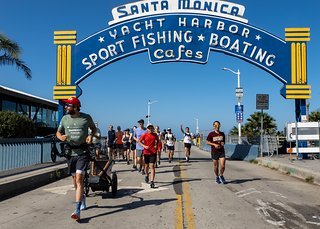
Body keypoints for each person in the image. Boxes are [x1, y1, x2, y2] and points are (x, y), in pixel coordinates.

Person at [56, 96, 96, 221]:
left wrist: (90, 135)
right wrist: (60, 137)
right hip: (70, 152)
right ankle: (82, 196)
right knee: (75, 180)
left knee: (79, 178)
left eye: (68, 105)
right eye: (66, 105)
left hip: (82, 152)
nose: (66, 107)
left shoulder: (86, 117)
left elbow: (93, 129)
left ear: (75, 107)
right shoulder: (64, 118)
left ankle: (77, 210)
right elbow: (58, 132)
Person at [138, 124, 159, 188]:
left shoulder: (155, 135)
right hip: (146, 152)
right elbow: (139, 141)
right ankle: (147, 175)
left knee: (152, 166)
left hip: (153, 152)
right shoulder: (145, 134)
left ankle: (152, 181)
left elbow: (158, 141)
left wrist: (156, 145)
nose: (150, 129)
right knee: (146, 166)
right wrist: (144, 146)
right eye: (149, 128)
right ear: (147, 129)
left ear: (153, 129)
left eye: (151, 128)